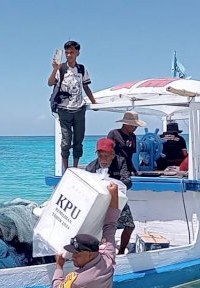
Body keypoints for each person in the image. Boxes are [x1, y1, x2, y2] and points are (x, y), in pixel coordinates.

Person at [50, 183, 121, 288]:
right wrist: (114, 194)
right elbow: (110, 225)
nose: (72, 257)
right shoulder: (108, 255)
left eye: (77, 254)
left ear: (90, 254)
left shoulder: (79, 281)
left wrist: (59, 266)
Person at [48, 40, 97, 171]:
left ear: (77, 53)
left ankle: (74, 168)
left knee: (78, 140)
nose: (69, 55)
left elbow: (86, 86)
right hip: (64, 109)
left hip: (79, 108)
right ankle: (66, 169)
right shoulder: (61, 68)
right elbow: (50, 82)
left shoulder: (81, 69)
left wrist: (94, 102)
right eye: (67, 52)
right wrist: (54, 70)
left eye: (72, 52)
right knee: (66, 140)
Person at [85, 138, 135, 255]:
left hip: (117, 199)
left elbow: (128, 181)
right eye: (100, 156)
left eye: (106, 156)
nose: (103, 159)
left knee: (130, 225)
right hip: (99, 202)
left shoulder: (120, 162)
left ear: (113, 154)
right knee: (97, 228)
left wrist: (115, 185)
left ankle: (121, 250)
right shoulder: (91, 167)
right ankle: (96, 252)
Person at [107, 111, 146, 175]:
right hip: (114, 169)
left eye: (136, 126)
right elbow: (107, 153)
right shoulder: (114, 134)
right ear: (125, 124)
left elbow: (129, 158)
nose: (135, 128)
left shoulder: (133, 136)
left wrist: (134, 170)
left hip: (126, 171)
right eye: (133, 126)